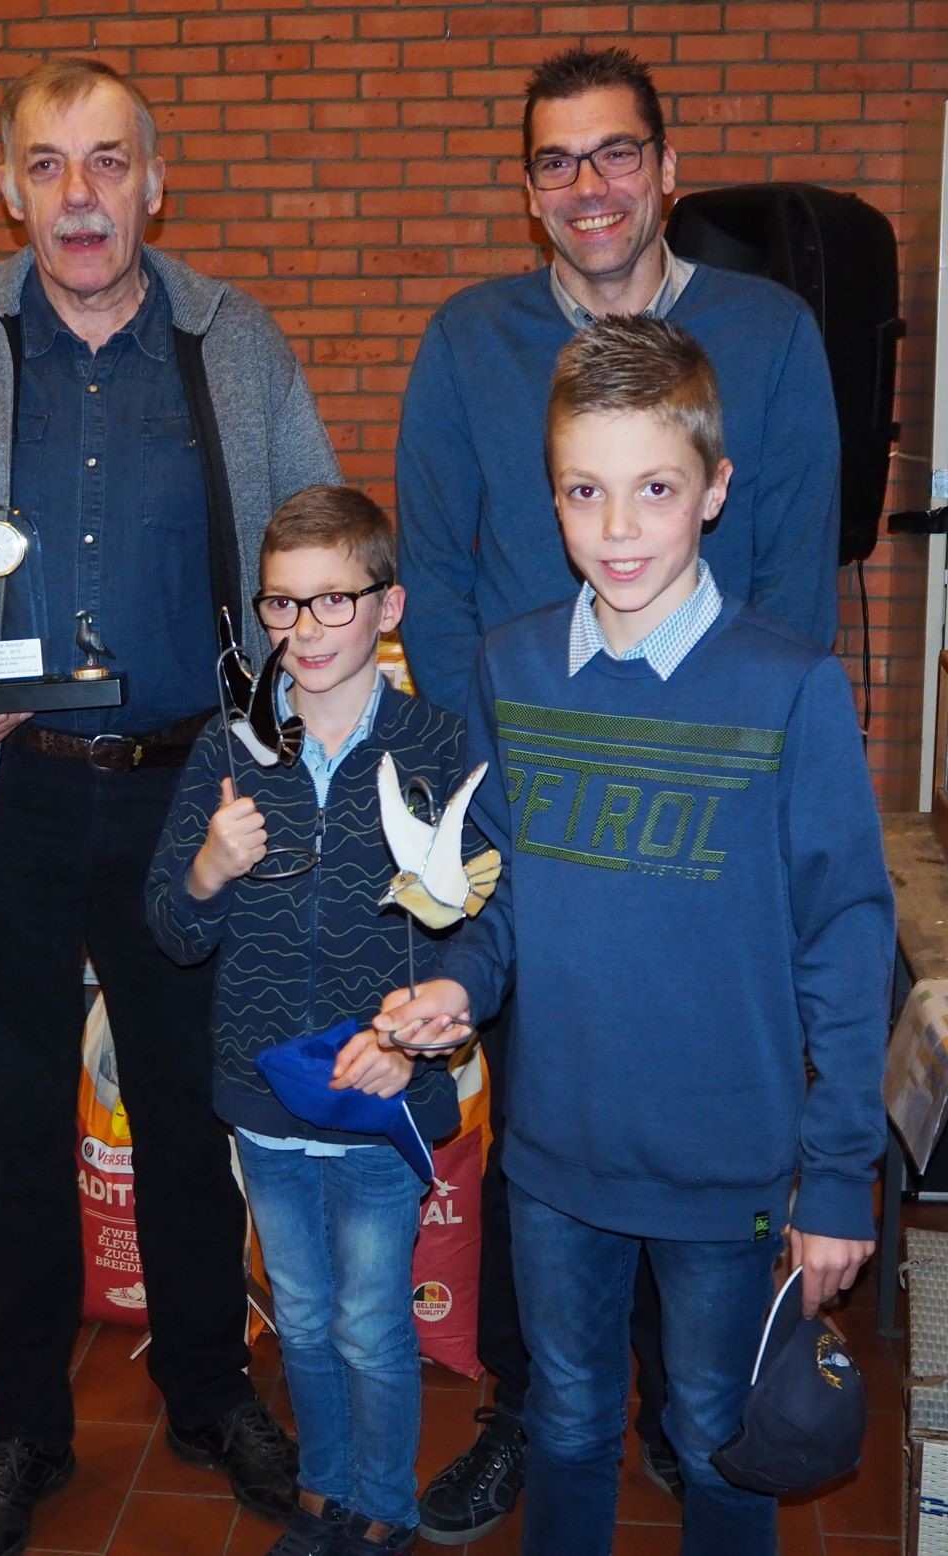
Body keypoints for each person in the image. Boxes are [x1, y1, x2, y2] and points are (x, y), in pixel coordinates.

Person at [0, 58, 340, 1556]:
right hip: (6, 799)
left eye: (110, 162)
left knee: (186, 1111)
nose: (81, 196)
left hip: (189, 799)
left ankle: (208, 1393)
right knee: (26, 1128)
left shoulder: (233, 341)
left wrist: (301, 711)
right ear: (8, 189)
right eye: (47, 164)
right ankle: (27, 1429)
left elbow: (311, 535)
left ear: (156, 184)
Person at [396, 45, 844, 1542]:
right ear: (528, 190)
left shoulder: (769, 338)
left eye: (614, 153)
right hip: (541, 811)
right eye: (555, 160)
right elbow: (436, 572)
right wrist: (496, 780)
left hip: (707, 813)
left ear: (664, 166)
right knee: (553, 1202)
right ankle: (535, 1419)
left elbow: (797, 578)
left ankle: (682, 1423)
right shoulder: (471, 343)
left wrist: (731, 745)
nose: (587, 184)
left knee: (712, 1380)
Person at [147, 485, 471, 1556]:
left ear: (389, 606)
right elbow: (171, 929)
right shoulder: (229, 749)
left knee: (371, 1324)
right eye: (282, 604)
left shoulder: (437, 744)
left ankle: (384, 1506)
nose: (306, 629)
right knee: (302, 1317)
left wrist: (416, 1042)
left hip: (382, 1098)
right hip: (265, 1098)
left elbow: (478, 928)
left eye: (335, 600)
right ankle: (324, 1494)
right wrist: (208, 868)